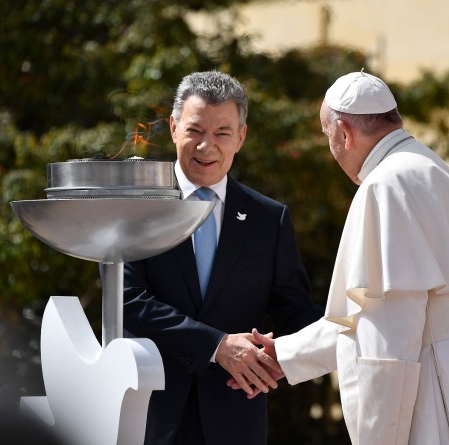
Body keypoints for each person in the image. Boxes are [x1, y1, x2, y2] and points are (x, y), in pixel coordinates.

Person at [235, 71, 449, 444]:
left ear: (343, 131)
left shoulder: (384, 185)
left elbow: (390, 339)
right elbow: (368, 314)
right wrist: (287, 354)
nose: (332, 149)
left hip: (441, 379)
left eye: (328, 138)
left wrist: (378, 436)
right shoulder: (438, 170)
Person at [122, 70, 322, 445]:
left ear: (241, 137)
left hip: (236, 414)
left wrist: (298, 351)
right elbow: (125, 298)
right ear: (173, 127)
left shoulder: (269, 219)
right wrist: (216, 346)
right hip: (149, 414)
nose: (206, 146)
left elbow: (294, 311)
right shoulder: (138, 207)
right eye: (195, 131)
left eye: (222, 134)